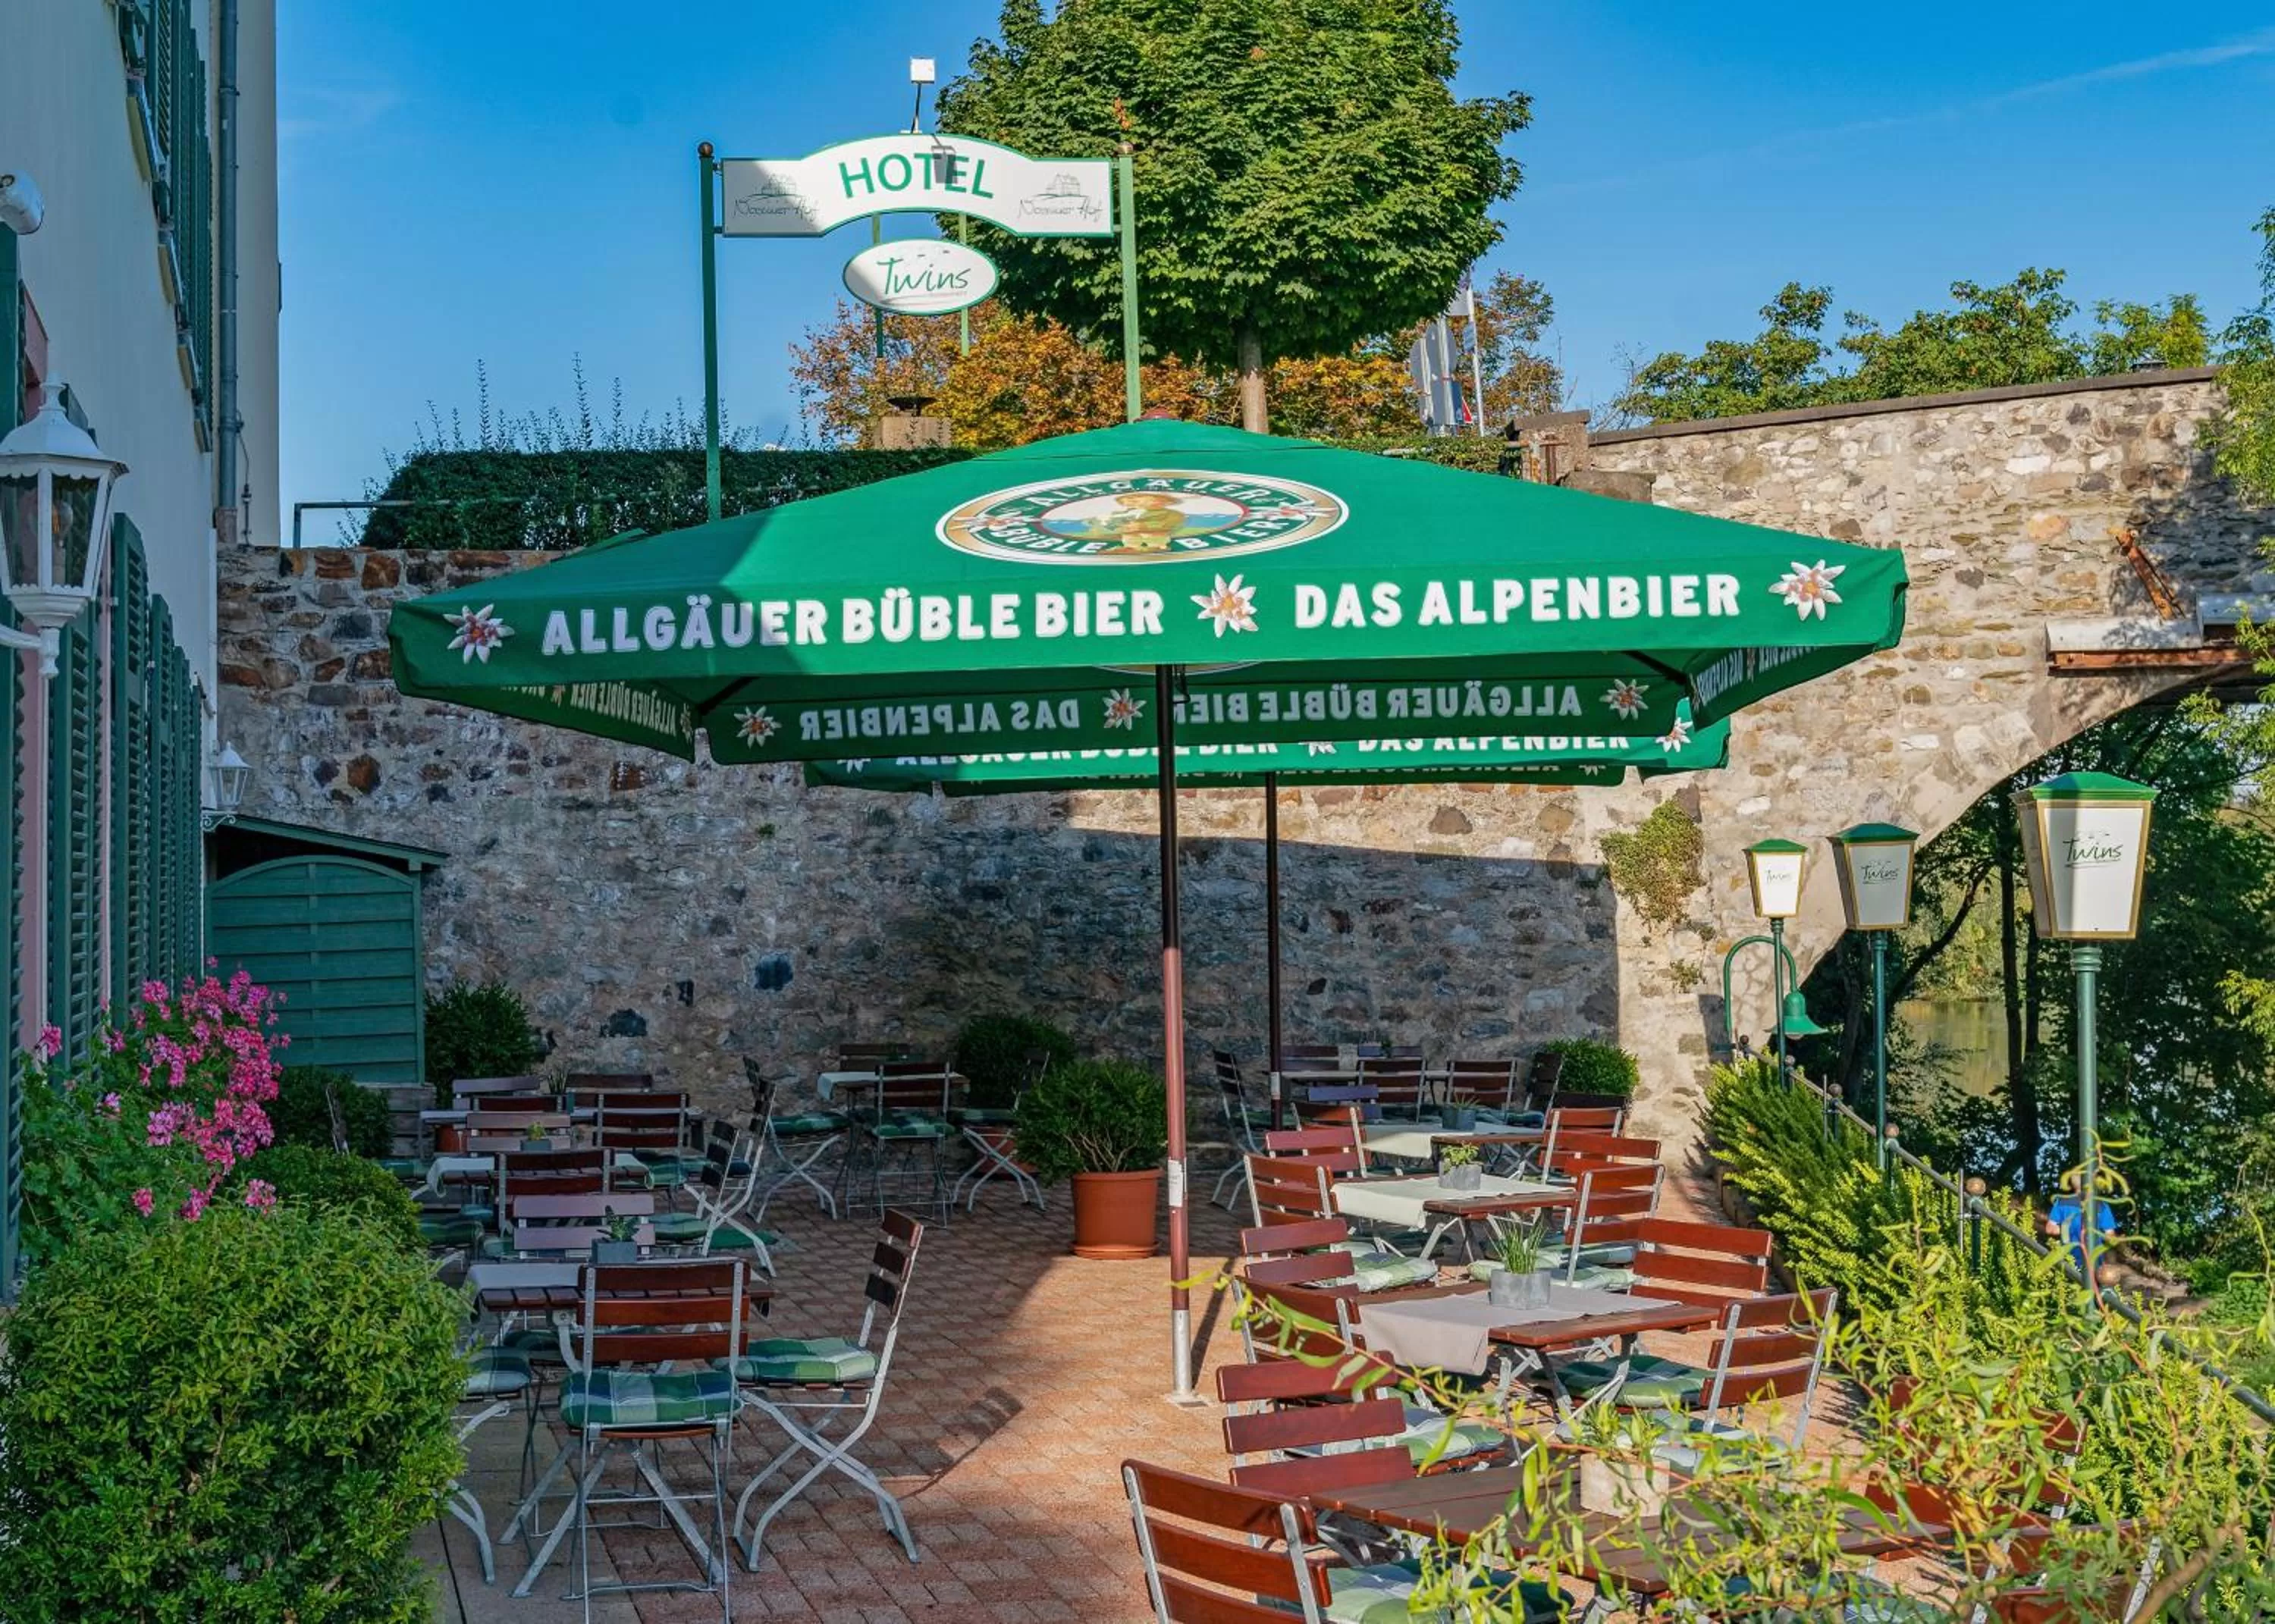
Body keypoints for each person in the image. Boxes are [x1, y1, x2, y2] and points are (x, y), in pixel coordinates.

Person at [2044, 1169, 2118, 1282]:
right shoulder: (2101, 1205)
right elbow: (2110, 1237)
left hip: (2068, 1259)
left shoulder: (2061, 1202)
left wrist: (2067, 1228)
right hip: (2093, 1262)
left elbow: (2050, 1229)